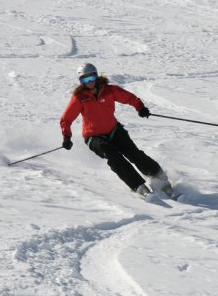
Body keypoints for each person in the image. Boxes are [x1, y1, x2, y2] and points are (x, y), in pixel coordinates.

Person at [60, 63, 172, 198]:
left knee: (133, 153)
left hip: (113, 130)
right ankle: (137, 185)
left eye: (91, 78)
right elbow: (66, 119)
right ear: (81, 81)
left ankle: (160, 178)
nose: (89, 82)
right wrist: (67, 137)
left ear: (96, 76)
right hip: (93, 136)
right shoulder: (79, 98)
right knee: (113, 156)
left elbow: (129, 98)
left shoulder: (109, 90)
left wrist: (140, 108)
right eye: (85, 80)